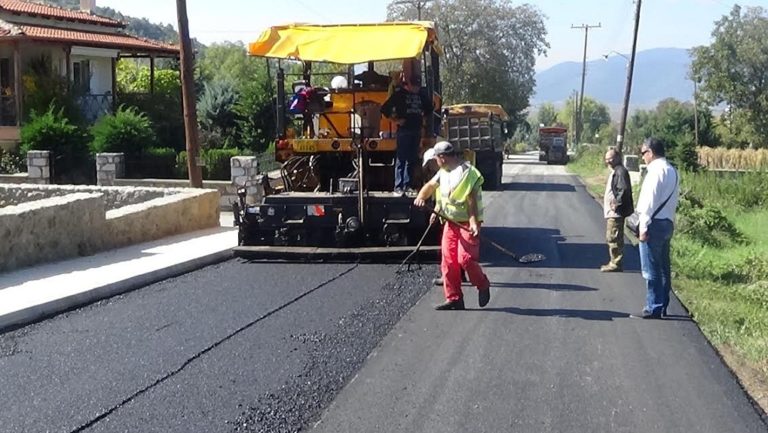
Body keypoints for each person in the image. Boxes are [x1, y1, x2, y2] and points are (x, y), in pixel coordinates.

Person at [414, 141, 490, 310]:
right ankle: (454, 298)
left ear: (443, 157)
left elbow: (470, 201)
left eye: (436, 158)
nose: (435, 162)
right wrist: (422, 197)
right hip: (450, 223)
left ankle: (483, 284)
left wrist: (473, 223)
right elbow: (432, 187)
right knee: (448, 262)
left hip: (466, 223)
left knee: (466, 259)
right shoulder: (444, 172)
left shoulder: (467, 173)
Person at [634, 137, 679, 319]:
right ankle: (663, 305)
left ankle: (653, 306)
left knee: (651, 268)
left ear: (651, 152)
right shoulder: (672, 170)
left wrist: (643, 228)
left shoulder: (654, 172)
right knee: (663, 268)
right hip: (667, 222)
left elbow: (648, 203)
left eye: (643, 153)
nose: (642, 157)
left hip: (653, 223)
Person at [381, 72, 433, 196]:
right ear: (408, 84)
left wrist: (423, 123)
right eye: (414, 85)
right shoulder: (399, 95)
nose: (416, 88)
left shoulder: (421, 95)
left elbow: (429, 109)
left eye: (418, 86)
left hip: (416, 130)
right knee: (401, 158)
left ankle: (408, 185)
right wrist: (396, 120)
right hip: (404, 131)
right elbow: (384, 109)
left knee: (412, 159)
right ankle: (398, 187)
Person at [601, 148, 634, 272]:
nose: (608, 161)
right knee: (613, 236)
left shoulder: (620, 171)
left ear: (618, 158)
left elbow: (623, 189)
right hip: (613, 212)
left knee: (613, 237)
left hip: (616, 213)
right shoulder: (617, 171)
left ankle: (615, 263)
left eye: (611, 158)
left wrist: (617, 203)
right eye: (607, 159)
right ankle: (614, 261)